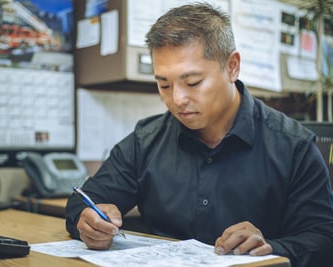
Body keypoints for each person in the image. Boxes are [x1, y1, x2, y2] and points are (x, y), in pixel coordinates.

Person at [66, 2, 333, 266]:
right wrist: (88, 221)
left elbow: (323, 239)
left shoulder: (293, 145)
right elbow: (81, 203)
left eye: (193, 82)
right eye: (164, 84)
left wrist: (271, 248)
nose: (177, 99)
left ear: (232, 67)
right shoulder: (145, 140)